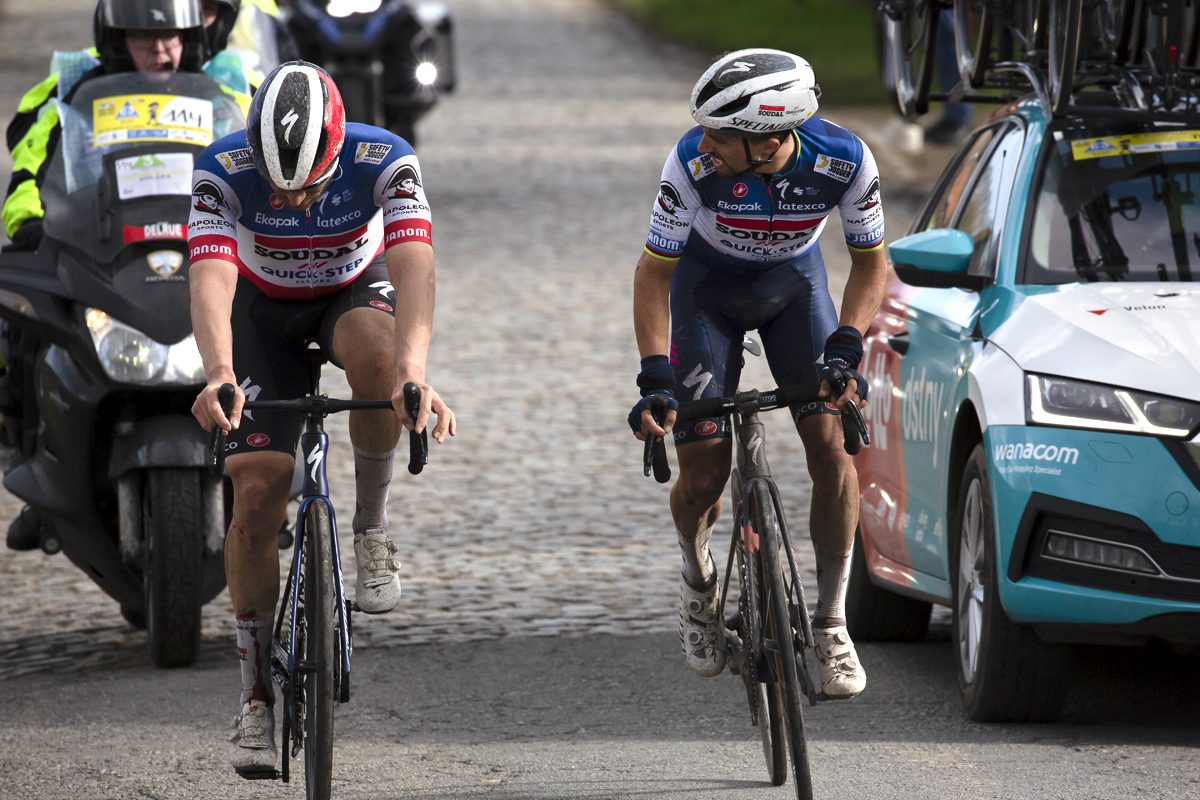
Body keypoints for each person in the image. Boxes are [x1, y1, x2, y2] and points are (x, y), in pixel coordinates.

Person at [187, 60, 455, 774]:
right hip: (258, 308)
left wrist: (412, 373)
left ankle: (369, 527)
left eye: (307, 183)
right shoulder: (221, 165)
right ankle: (252, 696)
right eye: (277, 184)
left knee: (377, 360)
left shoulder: (384, 158)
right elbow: (210, 274)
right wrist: (217, 371)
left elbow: (414, 264)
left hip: (351, 290)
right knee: (253, 497)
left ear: (335, 154)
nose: (292, 197)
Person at [630, 49, 886, 699]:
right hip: (705, 293)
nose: (705, 146)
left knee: (831, 445)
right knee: (706, 465)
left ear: (770, 138)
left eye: (722, 137)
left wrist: (846, 347)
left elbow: (870, 263)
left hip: (794, 292)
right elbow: (654, 273)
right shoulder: (690, 163)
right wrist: (655, 376)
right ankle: (696, 583)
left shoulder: (846, 161)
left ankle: (830, 621)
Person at [1, 0, 253, 251]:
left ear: (187, 37)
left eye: (169, 36)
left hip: (203, 251)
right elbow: (29, 179)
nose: (158, 49)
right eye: (144, 37)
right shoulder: (73, 107)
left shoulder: (226, 103)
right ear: (119, 40)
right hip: (98, 255)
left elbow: (262, 174)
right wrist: (30, 221)